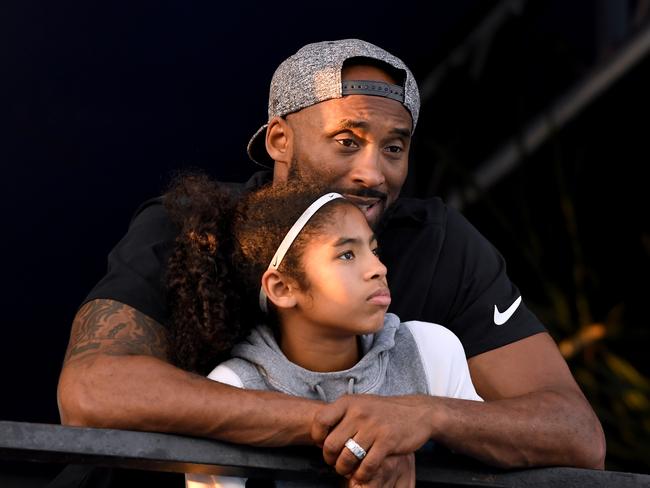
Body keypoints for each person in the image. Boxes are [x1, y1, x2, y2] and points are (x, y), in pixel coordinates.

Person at [58, 39, 605, 487]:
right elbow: (93, 391)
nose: (374, 173)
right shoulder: (191, 227)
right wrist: (343, 425)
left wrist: (425, 414)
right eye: (347, 140)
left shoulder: (441, 244)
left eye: (395, 148)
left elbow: (577, 434)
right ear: (279, 139)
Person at [167, 179, 482, 487]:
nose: (378, 268)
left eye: (374, 250)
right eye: (347, 255)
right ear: (282, 287)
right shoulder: (233, 387)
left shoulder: (429, 350)